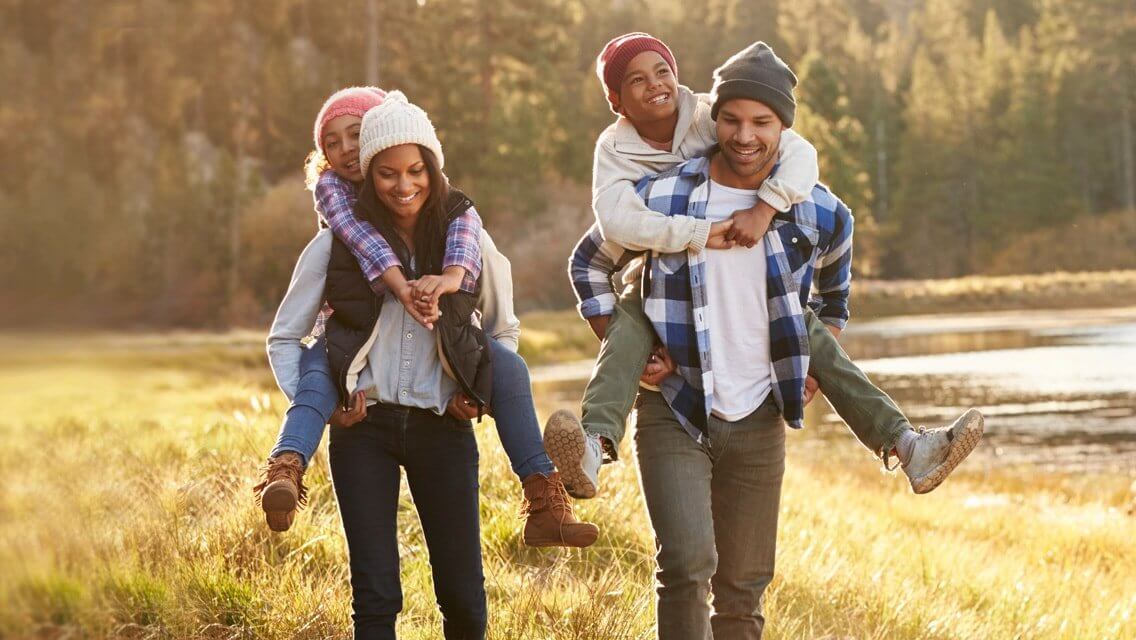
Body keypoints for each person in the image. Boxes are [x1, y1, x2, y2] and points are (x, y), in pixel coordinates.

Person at [549, 34, 985, 509]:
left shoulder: (709, 116)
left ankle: (908, 446)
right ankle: (594, 447)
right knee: (630, 325)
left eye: (662, 71)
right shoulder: (617, 154)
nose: (744, 134)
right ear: (616, 101)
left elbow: (799, 153)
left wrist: (766, 207)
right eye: (636, 79)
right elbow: (608, 229)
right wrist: (624, 340)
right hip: (657, 279)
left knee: (808, 332)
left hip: (751, 288)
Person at [259, 88, 596, 549]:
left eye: (355, 136)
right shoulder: (338, 220)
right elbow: (357, 248)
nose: (345, 151)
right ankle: (286, 466)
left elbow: (498, 315)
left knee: (511, 368)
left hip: (442, 398)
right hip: (350, 359)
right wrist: (401, 287)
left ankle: (543, 496)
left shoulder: (456, 216)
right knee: (318, 373)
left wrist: (474, 385)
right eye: (331, 143)